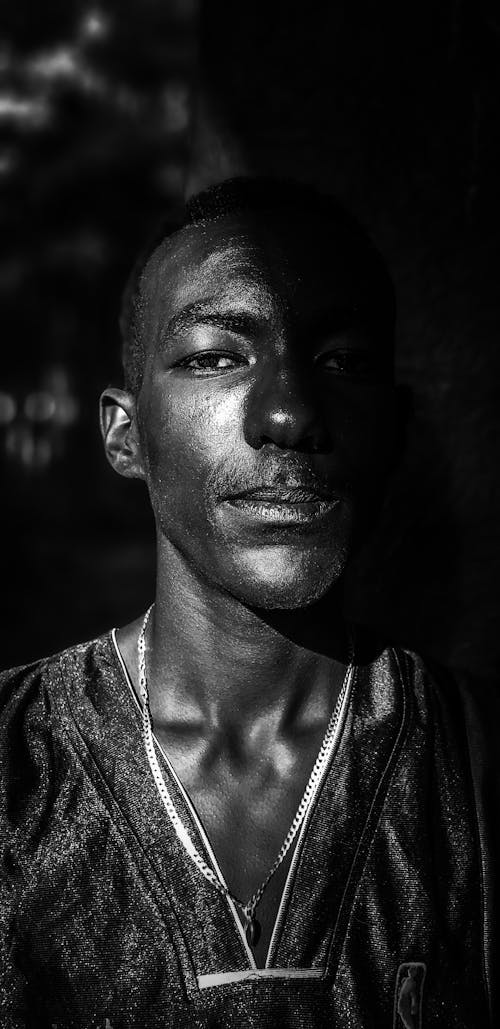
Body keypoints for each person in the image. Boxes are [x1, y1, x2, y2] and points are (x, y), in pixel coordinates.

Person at [0, 177, 497, 1029]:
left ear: (398, 428)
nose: (288, 412)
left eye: (340, 362)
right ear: (127, 434)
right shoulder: (18, 763)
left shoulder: (473, 767)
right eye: (214, 356)